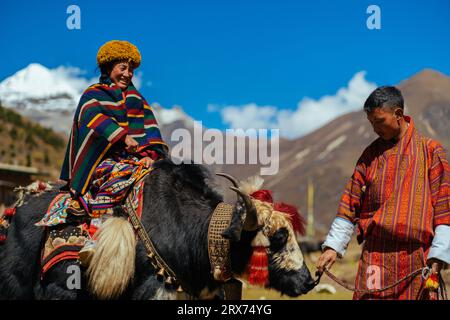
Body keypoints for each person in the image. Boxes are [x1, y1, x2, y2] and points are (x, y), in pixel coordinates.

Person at [316, 86, 450, 299]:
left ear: (398, 114)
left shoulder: (431, 151)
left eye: (379, 121)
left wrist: (439, 253)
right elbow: (349, 204)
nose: (375, 129)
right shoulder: (369, 156)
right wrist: (332, 247)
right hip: (375, 258)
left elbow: (444, 206)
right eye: (371, 123)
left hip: (417, 257)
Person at [60, 40, 168, 218]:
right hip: (102, 162)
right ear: (108, 68)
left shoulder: (137, 99)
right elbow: (91, 117)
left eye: (131, 69)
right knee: (122, 177)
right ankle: (94, 220)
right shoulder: (93, 95)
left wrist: (149, 156)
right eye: (122, 68)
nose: (128, 74)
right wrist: (122, 137)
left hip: (136, 162)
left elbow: (150, 133)